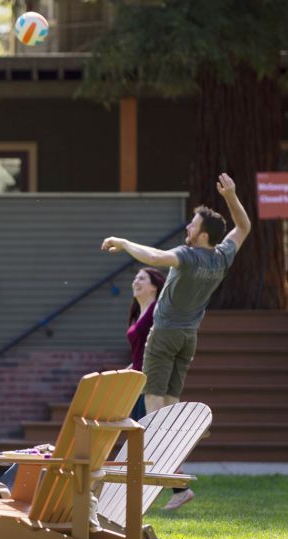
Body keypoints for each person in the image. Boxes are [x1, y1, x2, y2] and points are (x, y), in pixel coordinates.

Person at [103, 172, 250, 510]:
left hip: (165, 334)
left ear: (202, 235)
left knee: (154, 411)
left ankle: (157, 471)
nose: (187, 228)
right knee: (169, 402)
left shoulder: (188, 255)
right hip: (189, 338)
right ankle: (183, 443)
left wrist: (123, 243)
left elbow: (154, 258)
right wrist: (232, 196)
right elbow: (243, 228)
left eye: (192, 225)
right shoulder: (221, 256)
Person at [126, 267, 166, 420]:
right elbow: (139, 353)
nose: (136, 281)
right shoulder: (138, 314)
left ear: (154, 287)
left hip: (150, 381)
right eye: (135, 278)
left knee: (147, 430)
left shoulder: (157, 311)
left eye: (142, 278)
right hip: (136, 383)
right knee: (138, 431)